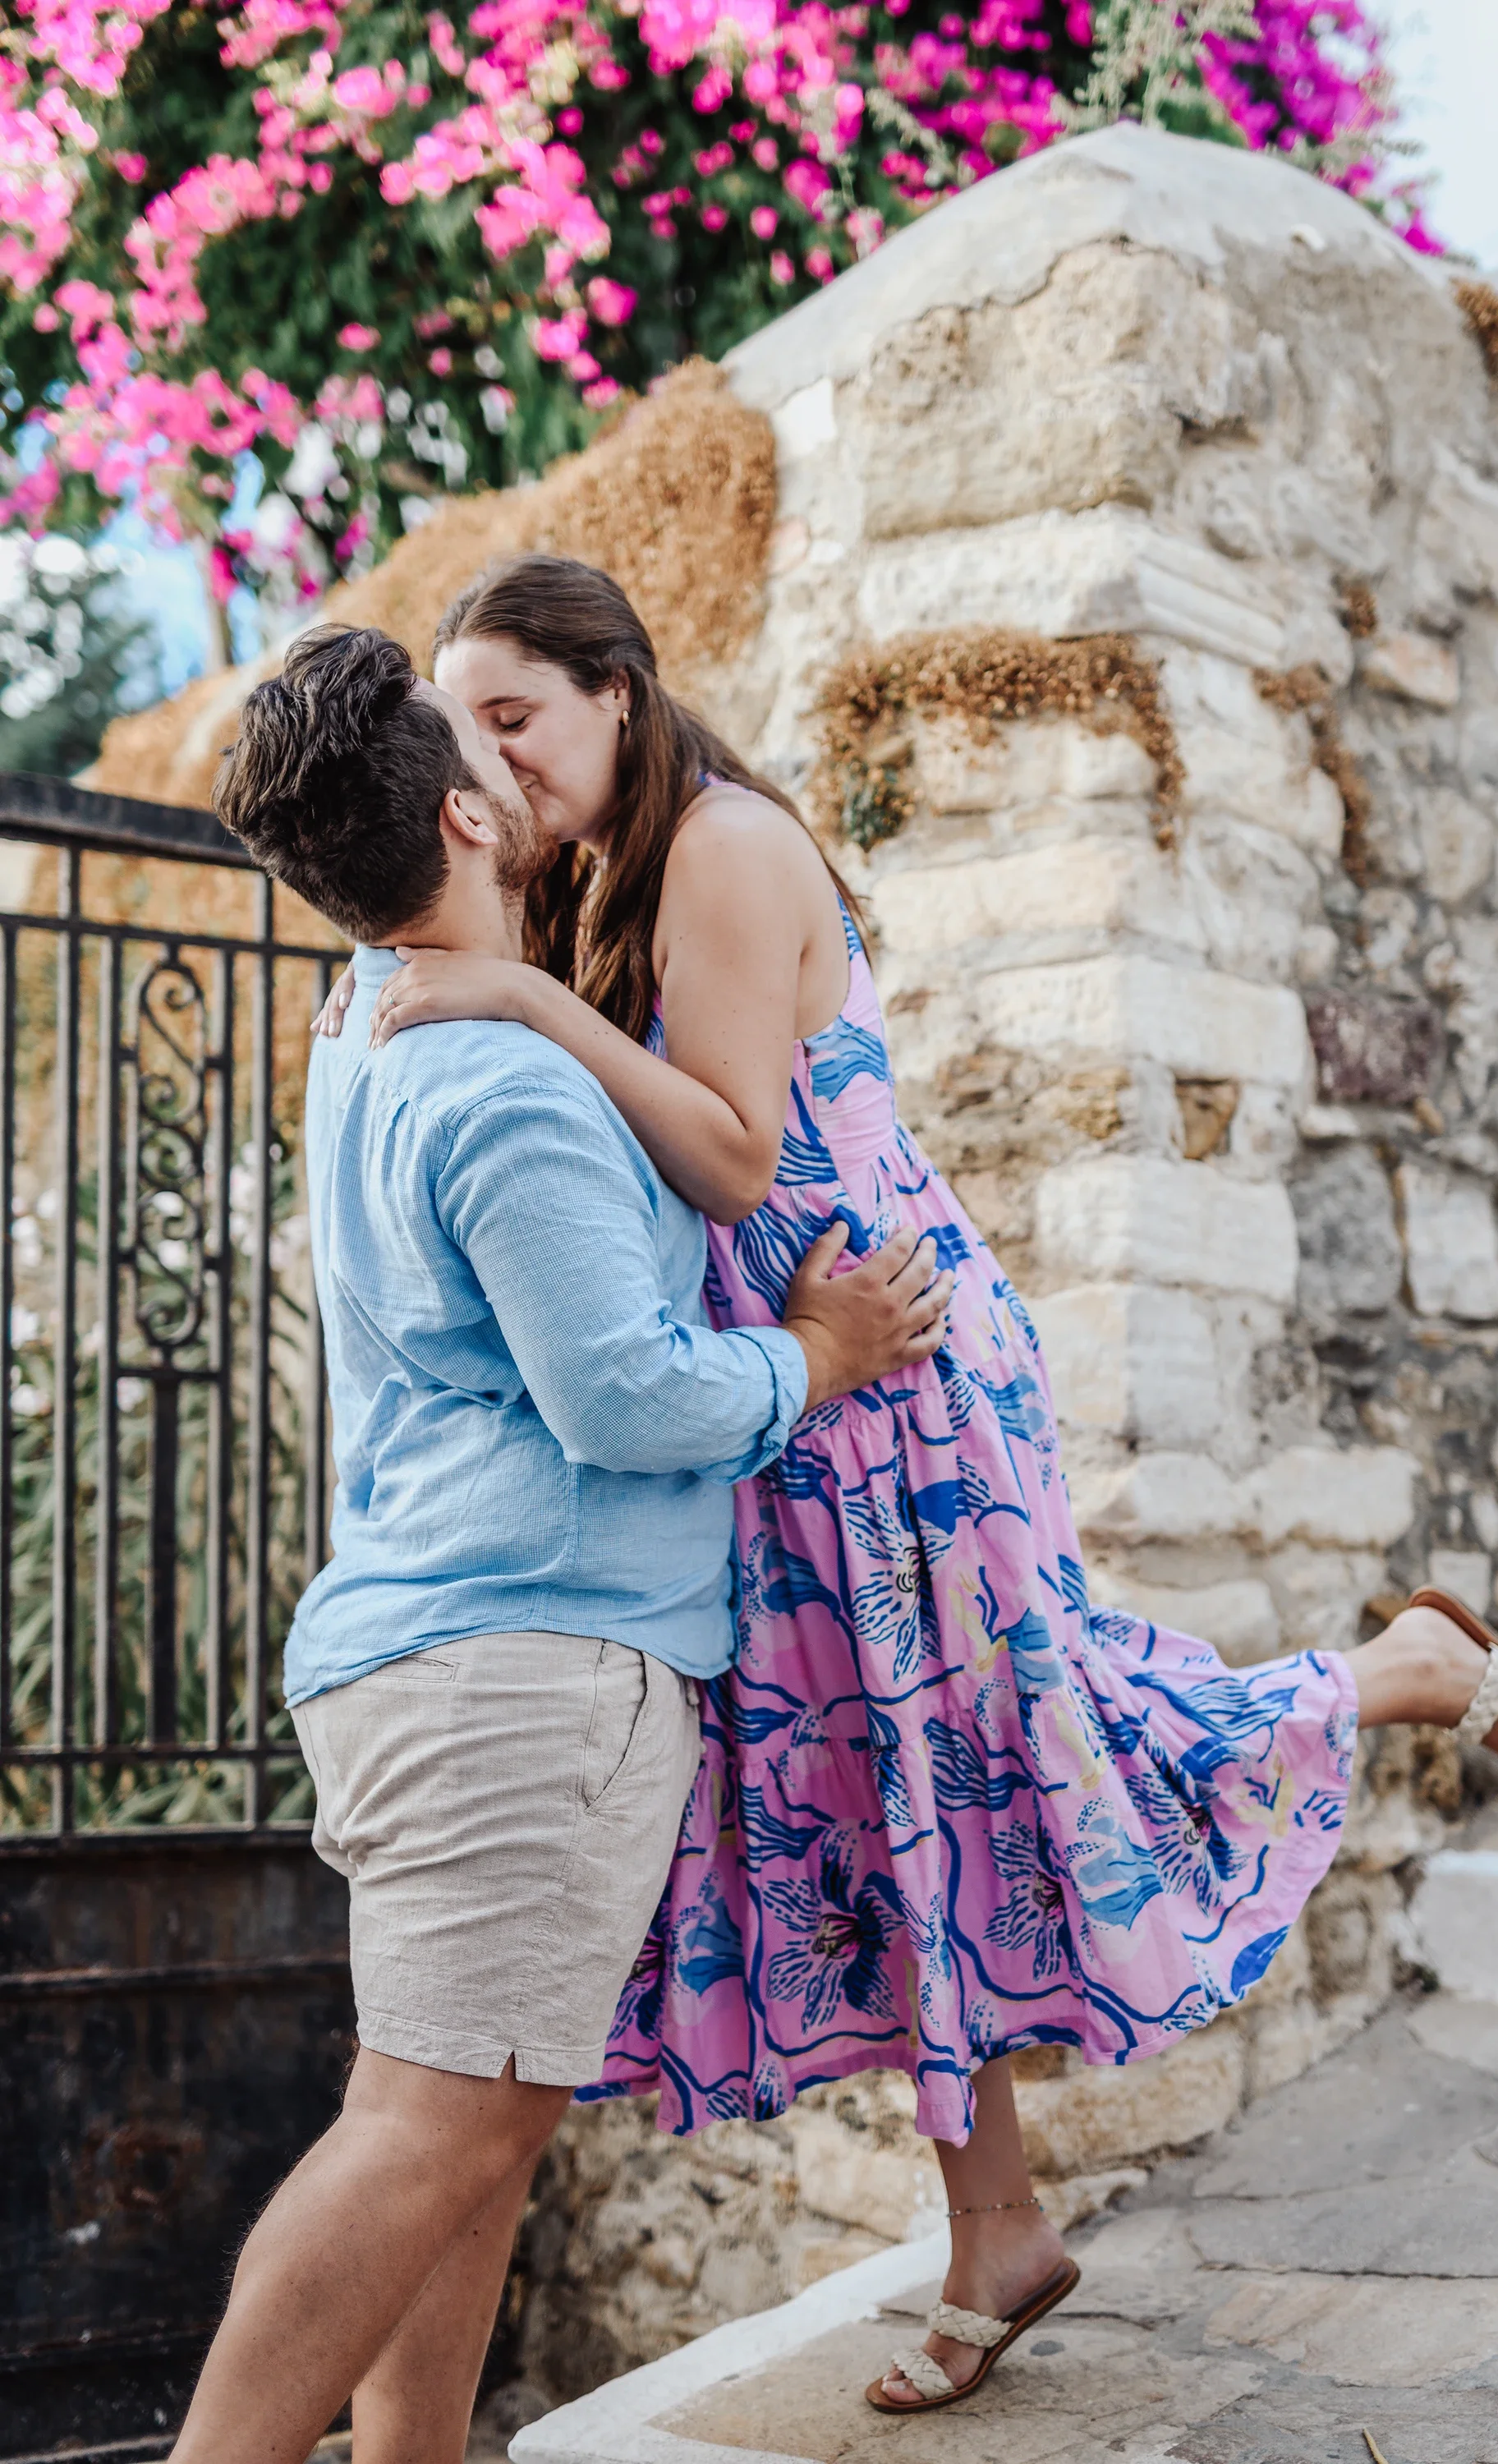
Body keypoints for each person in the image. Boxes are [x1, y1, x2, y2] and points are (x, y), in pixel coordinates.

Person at [321, 554, 1498, 2415]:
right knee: (904, 1785)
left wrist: (535, 1018)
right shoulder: (601, 879)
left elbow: (745, 1160)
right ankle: (993, 2226)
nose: (496, 762)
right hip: (800, 1403)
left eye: (518, 714)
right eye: (470, 732)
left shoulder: (724, 850)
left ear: (618, 688)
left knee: (1017, 1746)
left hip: (892, 1389)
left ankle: (1394, 1672)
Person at [177, 622, 954, 2464]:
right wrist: (818, 1358)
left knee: (465, 2118)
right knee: (433, 2133)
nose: (525, 769)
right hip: (528, 1669)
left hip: (438, 1656)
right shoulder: (509, 1087)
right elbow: (626, 1399)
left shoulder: (364, 1016)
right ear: (455, 813)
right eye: (486, 746)